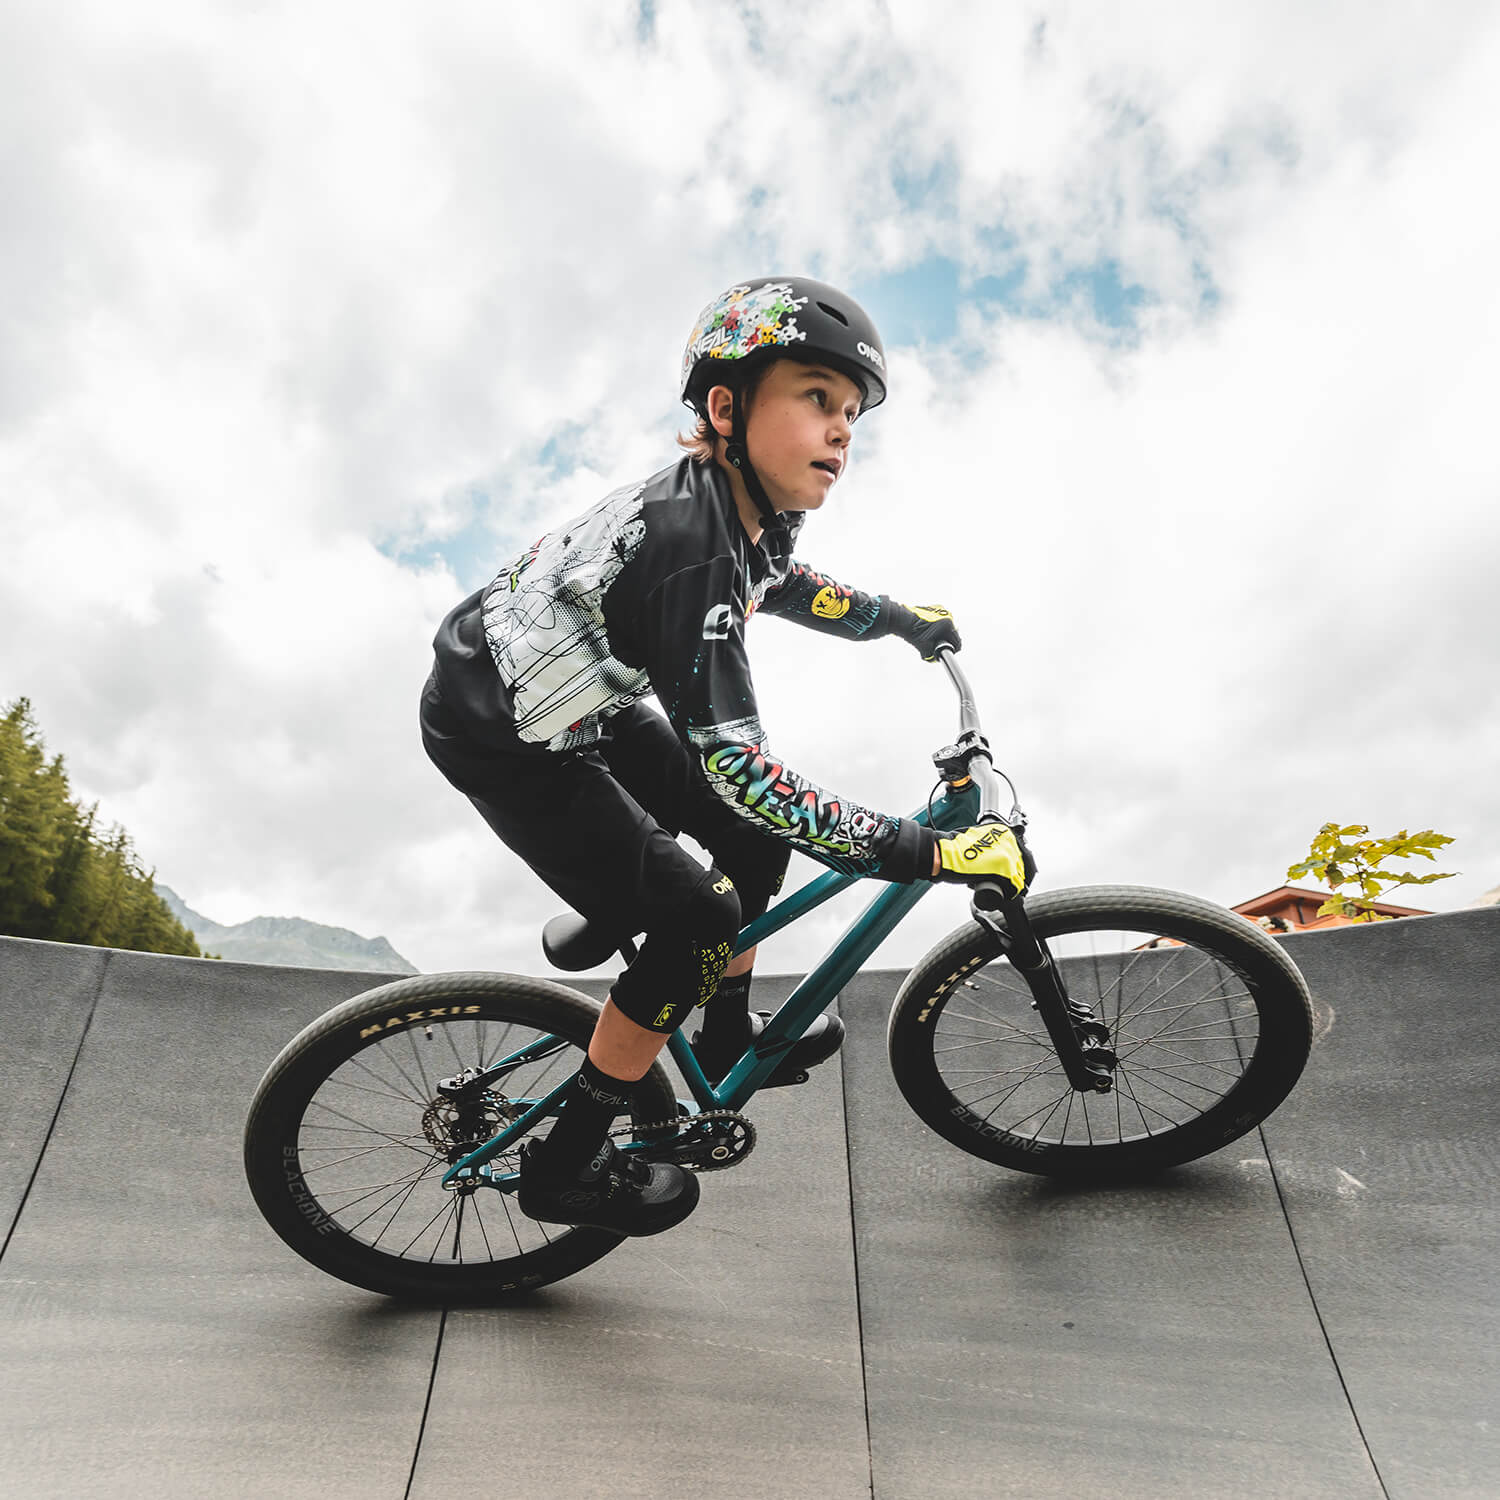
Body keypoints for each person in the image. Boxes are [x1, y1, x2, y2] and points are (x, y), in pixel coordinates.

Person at [419, 277, 1029, 1238]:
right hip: (506, 736)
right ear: (725, 407)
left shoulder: (745, 506)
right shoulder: (692, 547)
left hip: (574, 701)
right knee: (701, 918)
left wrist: (901, 623)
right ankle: (567, 1164)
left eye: (853, 413)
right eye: (817, 399)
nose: (842, 431)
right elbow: (743, 769)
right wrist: (931, 851)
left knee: (746, 844)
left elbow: (790, 585)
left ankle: (722, 1021)